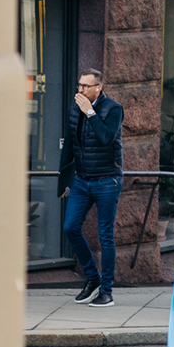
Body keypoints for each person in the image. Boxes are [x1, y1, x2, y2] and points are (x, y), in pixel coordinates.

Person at [59, 69, 124, 306]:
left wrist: (90, 111)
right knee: (70, 227)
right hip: (81, 180)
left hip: (107, 180)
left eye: (86, 86)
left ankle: (106, 290)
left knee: (105, 235)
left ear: (99, 88)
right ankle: (93, 278)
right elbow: (69, 144)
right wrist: (64, 181)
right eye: (79, 85)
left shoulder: (113, 109)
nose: (80, 90)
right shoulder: (75, 108)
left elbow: (107, 137)